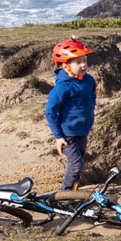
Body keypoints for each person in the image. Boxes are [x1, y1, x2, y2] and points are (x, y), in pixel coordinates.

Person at [45, 39, 96, 190]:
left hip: (82, 131)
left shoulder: (89, 80)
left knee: (79, 166)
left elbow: (92, 97)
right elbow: (51, 112)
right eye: (78, 62)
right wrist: (58, 137)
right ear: (66, 66)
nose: (83, 65)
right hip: (67, 134)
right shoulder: (62, 87)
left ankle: (74, 192)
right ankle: (64, 194)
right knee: (76, 165)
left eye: (84, 60)